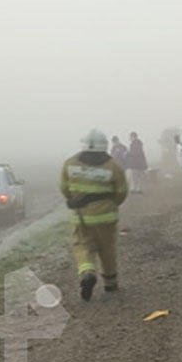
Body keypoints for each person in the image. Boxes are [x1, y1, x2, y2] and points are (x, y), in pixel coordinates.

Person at [60, 129, 128, 301]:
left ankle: (87, 272)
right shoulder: (113, 166)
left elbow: (64, 188)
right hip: (106, 216)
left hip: (81, 216)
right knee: (107, 248)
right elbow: (121, 192)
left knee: (82, 246)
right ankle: (110, 284)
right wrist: (111, 205)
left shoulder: (70, 164)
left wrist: (74, 201)